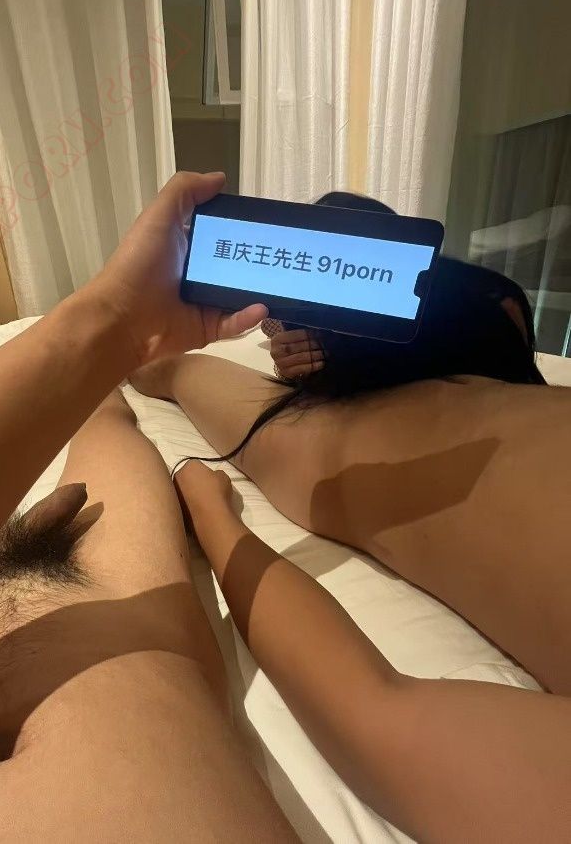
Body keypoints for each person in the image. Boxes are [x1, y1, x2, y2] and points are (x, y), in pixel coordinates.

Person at [129, 195, 571, 840]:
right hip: (458, 420)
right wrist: (213, 512)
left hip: (480, 417)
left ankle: (382, 329)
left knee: (189, 376)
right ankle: (382, 326)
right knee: (191, 378)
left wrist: (211, 510)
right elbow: (374, 712)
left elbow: (378, 713)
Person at [0, 172, 297, 842]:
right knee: (108, 431)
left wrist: (119, 320)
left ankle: (59, 378)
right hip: (122, 618)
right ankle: (82, 370)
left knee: (101, 426)